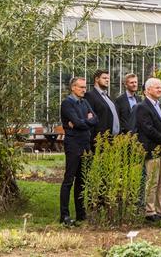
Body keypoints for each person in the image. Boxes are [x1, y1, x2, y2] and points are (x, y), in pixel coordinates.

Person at [59, 76, 97, 226]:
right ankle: (64, 215)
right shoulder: (67, 103)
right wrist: (85, 121)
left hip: (85, 144)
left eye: (85, 87)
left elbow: (96, 119)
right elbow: (78, 122)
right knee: (69, 180)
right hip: (73, 145)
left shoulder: (84, 101)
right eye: (81, 87)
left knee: (82, 181)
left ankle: (81, 213)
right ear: (73, 88)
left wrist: (83, 122)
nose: (84, 90)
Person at [135, 77, 161, 221]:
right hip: (152, 149)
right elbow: (148, 129)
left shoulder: (160, 105)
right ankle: (149, 211)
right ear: (148, 90)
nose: (160, 89)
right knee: (152, 181)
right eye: (157, 87)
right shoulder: (142, 107)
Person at [85, 69, 121, 149]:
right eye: (104, 78)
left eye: (108, 78)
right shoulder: (90, 95)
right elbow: (90, 120)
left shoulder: (107, 97)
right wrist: (94, 141)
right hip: (100, 142)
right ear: (97, 79)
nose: (107, 80)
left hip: (114, 141)